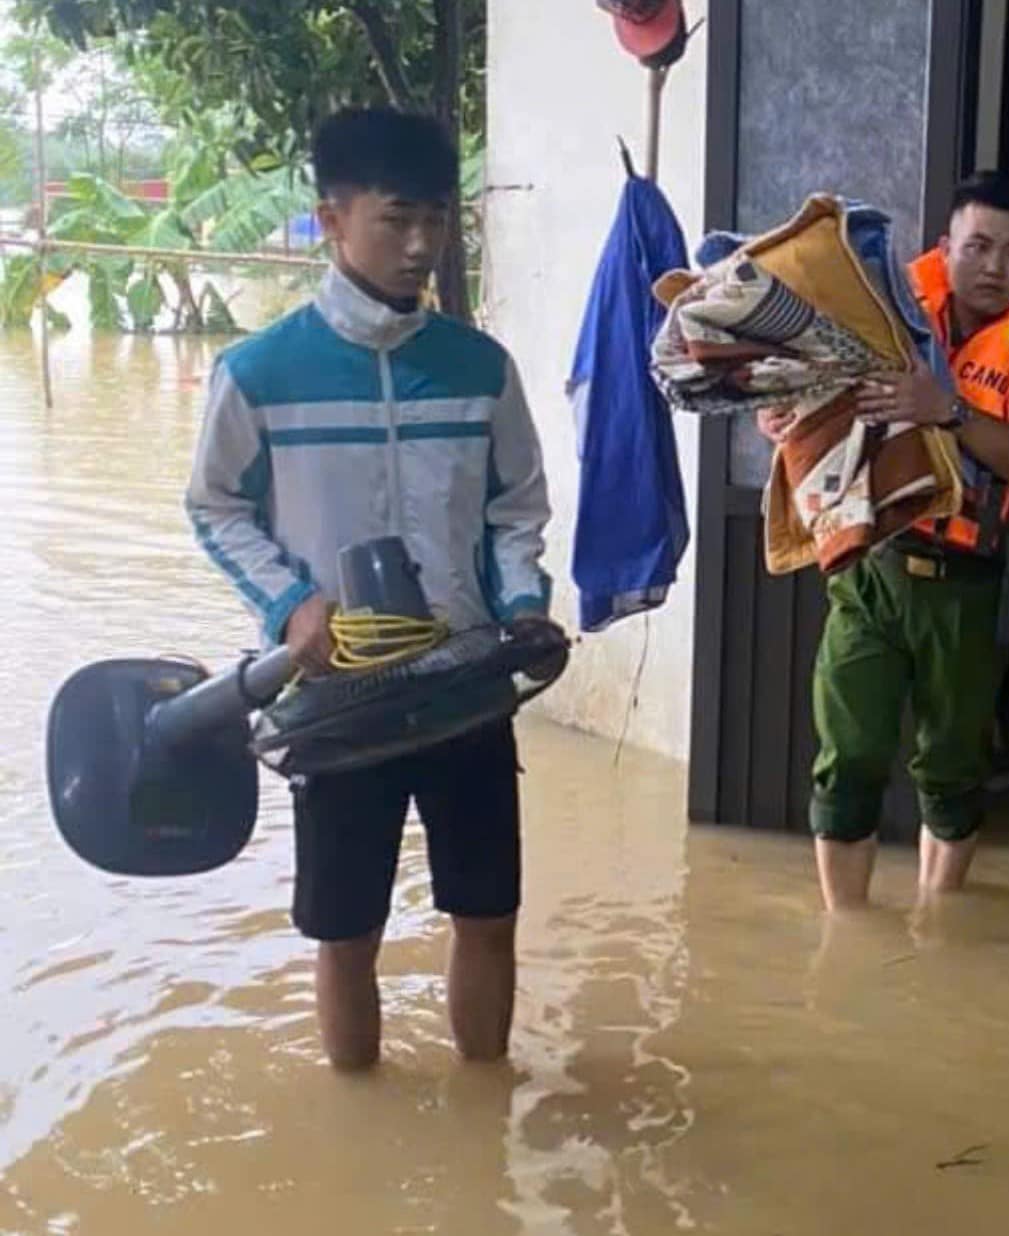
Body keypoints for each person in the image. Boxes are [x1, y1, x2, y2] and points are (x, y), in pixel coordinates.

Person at [186, 108, 552, 1069]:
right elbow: (215, 507)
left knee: (488, 915)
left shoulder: (481, 370)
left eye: (435, 218)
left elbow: (517, 509)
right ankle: (359, 1117)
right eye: (396, 221)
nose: (421, 245)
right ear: (331, 218)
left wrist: (522, 606)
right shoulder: (259, 374)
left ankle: (486, 1113)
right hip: (336, 702)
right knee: (346, 935)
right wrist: (288, 607)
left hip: (467, 685)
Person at [757, 171, 1009, 911]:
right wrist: (785, 418)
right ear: (947, 247)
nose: (995, 268)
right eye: (978, 248)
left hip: (967, 583)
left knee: (951, 766)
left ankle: (940, 924)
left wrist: (947, 411)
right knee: (848, 760)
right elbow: (814, 390)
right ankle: (845, 933)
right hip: (869, 567)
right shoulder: (888, 313)